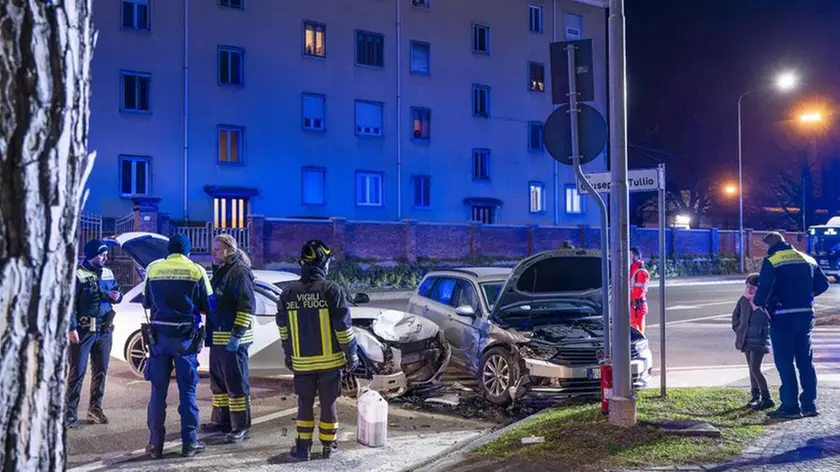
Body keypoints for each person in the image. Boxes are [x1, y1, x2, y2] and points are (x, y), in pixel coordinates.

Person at [276, 240, 359, 462]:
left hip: (301, 363)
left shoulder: (288, 293)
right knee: (328, 404)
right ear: (323, 261)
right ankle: (328, 447)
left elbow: (283, 330)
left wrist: (288, 354)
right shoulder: (332, 290)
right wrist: (351, 353)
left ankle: (302, 448)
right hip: (330, 363)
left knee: (304, 403)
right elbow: (343, 328)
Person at [142, 234, 211, 458]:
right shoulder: (196, 270)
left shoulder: (153, 269)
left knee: (157, 393)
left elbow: (146, 302)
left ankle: (155, 445)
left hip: (159, 339)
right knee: (188, 392)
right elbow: (209, 305)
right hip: (186, 340)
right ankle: (189, 444)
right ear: (188, 251)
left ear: (168, 250)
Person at [754, 231, 830, 419]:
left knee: (785, 361)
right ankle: (810, 404)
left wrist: (761, 303)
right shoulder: (807, 258)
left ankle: (790, 406)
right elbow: (823, 284)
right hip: (805, 315)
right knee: (805, 360)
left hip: (782, 316)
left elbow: (763, 290)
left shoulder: (772, 260)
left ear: (769, 246)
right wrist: (809, 295)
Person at [201, 234, 257, 443]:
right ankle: (221, 421)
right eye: (212, 249)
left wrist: (236, 336)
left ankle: (240, 426)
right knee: (219, 384)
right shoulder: (220, 272)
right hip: (217, 337)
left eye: (217, 249)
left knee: (236, 384)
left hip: (233, 340)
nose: (213, 253)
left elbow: (247, 307)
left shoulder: (240, 273)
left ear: (230, 249)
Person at [66, 239, 122, 428]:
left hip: (104, 330)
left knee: (100, 371)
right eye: (102, 254)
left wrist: (117, 296)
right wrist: (71, 328)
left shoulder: (108, 272)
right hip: (83, 332)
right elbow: (69, 304)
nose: (106, 257)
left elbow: (117, 292)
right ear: (92, 255)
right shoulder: (77, 274)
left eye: (106, 254)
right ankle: (70, 413)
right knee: (77, 372)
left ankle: (94, 409)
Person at [731, 273, 774, 410]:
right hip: (745, 339)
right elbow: (736, 315)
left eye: (753, 288)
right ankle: (755, 396)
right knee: (751, 369)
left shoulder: (763, 301)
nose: (750, 290)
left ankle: (767, 397)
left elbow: (771, 319)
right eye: (748, 287)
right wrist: (738, 328)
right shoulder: (743, 300)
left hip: (759, 340)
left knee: (755, 368)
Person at [629, 247, 651, 334]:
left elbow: (638, 293)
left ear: (637, 257)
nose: (629, 258)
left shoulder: (641, 271)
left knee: (639, 334)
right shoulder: (630, 269)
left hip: (638, 307)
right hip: (632, 307)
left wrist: (625, 294)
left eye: (631, 255)